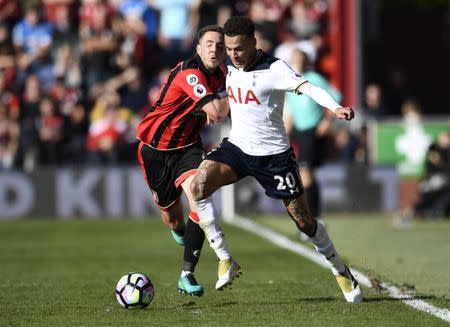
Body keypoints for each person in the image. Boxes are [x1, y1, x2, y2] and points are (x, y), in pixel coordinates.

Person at [190, 16, 363, 302]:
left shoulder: (275, 68)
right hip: (238, 148)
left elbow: (309, 87)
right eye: (229, 49)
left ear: (253, 43)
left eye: (239, 49)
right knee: (197, 187)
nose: (233, 54)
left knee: (304, 222)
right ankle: (225, 258)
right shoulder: (227, 65)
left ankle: (340, 270)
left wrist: (335, 107)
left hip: (274, 157)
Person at [136, 25, 229, 297]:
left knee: (198, 197)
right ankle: (181, 231)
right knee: (174, 220)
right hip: (154, 150)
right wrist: (232, 97)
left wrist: (223, 102)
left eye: (220, 45)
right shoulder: (190, 74)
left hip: (188, 147)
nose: (214, 49)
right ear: (198, 48)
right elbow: (216, 112)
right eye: (209, 44)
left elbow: (216, 113)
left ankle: (186, 275)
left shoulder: (222, 76)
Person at [284, 49, 341, 238]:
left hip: (312, 130)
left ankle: (313, 220)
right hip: (299, 131)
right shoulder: (290, 80)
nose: (298, 62)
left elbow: (335, 96)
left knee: (306, 174)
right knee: (305, 175)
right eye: (295, 59)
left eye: (301, 59)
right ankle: (314, 219)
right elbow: (292, 108)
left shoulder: (313, 78)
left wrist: (327, 121)